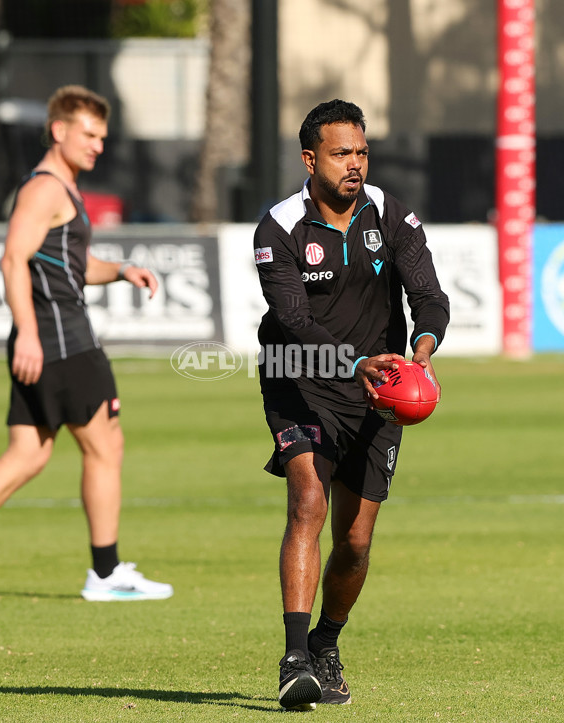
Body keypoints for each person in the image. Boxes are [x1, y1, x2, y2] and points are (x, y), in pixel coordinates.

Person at [253, 99, 449, 710]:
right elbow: (292, 318)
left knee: (356, 541)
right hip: (300, 378)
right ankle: (292, 661)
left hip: (379, 389)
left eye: (362, 152)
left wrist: (420, 349)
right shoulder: (279, 228)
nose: (355, 164)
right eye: (342, 154)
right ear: (310, 159)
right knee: (307, 499)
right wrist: (353, 362)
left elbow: (429, 295)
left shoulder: (391, 214)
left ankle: (326, 644)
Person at [0, 85, 173, 604]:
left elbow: (73, 268)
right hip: (63, 342)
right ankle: (105, 574)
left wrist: (122, 270)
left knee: (27, 455)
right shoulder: (45, 190)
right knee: (106, 447)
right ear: (59, 131)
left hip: (51, 338)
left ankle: (105, 572)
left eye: (102, 136)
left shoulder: (63, 189)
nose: (97, 145)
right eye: (88, 134)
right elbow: (13, 259)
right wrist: (30, 336)